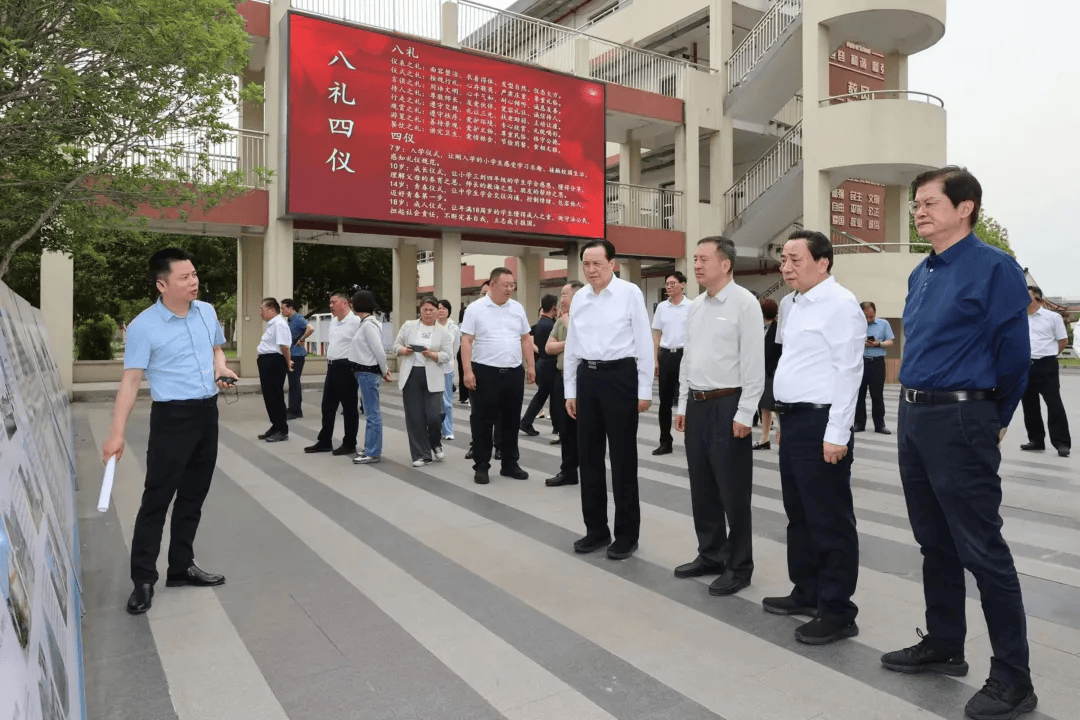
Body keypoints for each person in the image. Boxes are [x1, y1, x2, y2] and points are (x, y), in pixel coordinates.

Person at [882, 166, 1037, 720]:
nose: (918, 211)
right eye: (916, 203)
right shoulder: (921, 272)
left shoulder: (994, 269)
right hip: (916, 417)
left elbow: (1014, 357)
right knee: (934, 543)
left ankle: (1013, 678)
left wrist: (995, 416)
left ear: (965, 207)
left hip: (962, 420)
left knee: (982, 550)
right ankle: (945, 644)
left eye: (929, 202)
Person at [103, 248, 238, 615]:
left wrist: (220, 368)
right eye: (184, 277)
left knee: (194, 495)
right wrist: (116, 434)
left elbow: (217, 350)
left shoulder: (206, 311)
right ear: (162, 284)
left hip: (207, 413)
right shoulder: (144, 325)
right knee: (157, 500)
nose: (193, 281)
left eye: (194, 274)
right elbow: (130, 381)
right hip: (171, 418)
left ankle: (181, 566)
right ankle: (143, 580)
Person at [763, 229, 863, 645]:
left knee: (829, 519)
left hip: (824, 424)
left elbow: (848, 371)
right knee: (799, 513)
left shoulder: (841, 305)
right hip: (796, 421)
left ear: (823, 262)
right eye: (783, 259)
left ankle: (838, 609)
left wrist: (837, 434)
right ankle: (807, 591)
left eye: (795, 259)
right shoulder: (791, 303)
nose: (786, 267)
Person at [672, 237, 764, 596]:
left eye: (703, 259)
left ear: (725, 264)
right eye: (694, 258)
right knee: (703, 486)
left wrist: (746, 412)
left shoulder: (745, 304)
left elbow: (754, 364)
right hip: (698, 404)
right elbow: (688, 359)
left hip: (729, 405)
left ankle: (739, 565)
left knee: (733, 490)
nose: (696, 265)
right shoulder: (695, 306)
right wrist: (683, 404)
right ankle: (711, 553)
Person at [564, 240, 654, 560]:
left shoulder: (630, 294)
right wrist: (570, 390)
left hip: (621, 378)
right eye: (586, 265)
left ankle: (627, 534)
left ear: (612, 264)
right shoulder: (579, 299)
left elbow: (644, 343)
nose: (591, 270)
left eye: (597, 264)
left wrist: (644, 390)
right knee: (588, 458)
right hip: (587, 379)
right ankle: (596, 530)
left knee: (622, 460)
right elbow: (572, 346)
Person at [460, 268, 535, 484]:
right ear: (492, 285)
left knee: (511, 420)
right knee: (482, 421)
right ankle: (481, 465)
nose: (510, 289)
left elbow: (525, 339)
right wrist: (467, 371)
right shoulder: (476, 309)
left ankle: (510, 463)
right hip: (485, 372)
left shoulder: (517, 308)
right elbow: (466, 341)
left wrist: (530, 366)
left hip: (513, 372)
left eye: (512, 285)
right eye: (506, 285)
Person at [394, 296, 454, 467]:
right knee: (415, 418)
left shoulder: (443, 332)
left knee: (434, 416)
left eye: (431, 310)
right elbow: (395, 346)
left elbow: (447, 355)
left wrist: (432, 354)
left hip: (433, 376)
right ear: (419, 310)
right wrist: (404, 350)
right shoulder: (408, 326)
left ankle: (435, 442)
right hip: (411, 375)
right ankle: (421, 454)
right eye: (424, 309)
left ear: (437, 311)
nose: (428, 313)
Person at [304, 292, 361, 456]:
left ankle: (350, 443)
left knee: (349, 407)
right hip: (332, 366)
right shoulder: (334, 321)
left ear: (345, 303)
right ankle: (324, 441)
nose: (330, 305)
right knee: (327, 406)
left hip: (347, 367)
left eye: (333, 302)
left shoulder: (356, 322)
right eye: (330, 302)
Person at [1020, 285, 1071, 457]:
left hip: (1046, 364)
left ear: (1037, 298)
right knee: (1029, 404)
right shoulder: (1019, 318)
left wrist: (1049, 355)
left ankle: (1062, 443)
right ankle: (1036, 440)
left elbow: (1062, 341)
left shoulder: (1052, 318)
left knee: (1054, 403)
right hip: (1026, 365)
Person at [544, 281, 584, 487]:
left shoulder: (584, 318)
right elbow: (548, 347)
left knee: (583, 429)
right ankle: (568, 471)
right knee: (565, 427)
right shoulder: (560, 321)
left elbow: (585, 342)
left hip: (581, 379)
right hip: (561, 377)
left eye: (564, 295)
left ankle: (584, 470)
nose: (561, 300)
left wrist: (569, 323)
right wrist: (568, 344)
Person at [349, 290, 392, 464]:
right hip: (365, 372)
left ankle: (373, 451)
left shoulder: (368, 325)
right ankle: (370, 448)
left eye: (353, 301)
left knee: (372, 413)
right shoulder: (366, 323)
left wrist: (385, 370)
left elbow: (379, 351)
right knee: (370, 412)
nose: (351, 304)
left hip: (367, 372)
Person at [652, 271, 691, 455]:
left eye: (673, 283)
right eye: (667, 283)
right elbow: (657, 334)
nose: (669, 286)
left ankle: (691, 441)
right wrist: (655, 359)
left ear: (683, 285)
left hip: (685, 355)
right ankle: (665, 441)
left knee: (688, 399)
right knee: (665, 401)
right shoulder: (662, 307)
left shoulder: (691, 306)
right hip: (666, 355)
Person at [520, 294, 559, 436]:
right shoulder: (552, 326)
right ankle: (527, 422)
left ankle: (528, 422)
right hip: (550, 363)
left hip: (541, 362)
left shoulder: (539, 325)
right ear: (554, 308)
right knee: (551, 395)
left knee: (543, 394)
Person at [256, 298, 294, 442]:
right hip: (267, 361)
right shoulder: (272, 324)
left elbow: (284, 346)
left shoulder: (279, 324)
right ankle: (275, 425)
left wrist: (288, 362)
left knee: (275, 396)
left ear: (272, 310)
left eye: (262, 309)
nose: (260, 312)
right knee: (269, 396)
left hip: (274, 362)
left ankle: (282, 429)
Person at [854, 301, 895, 434]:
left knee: (877, 395)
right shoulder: (855, 324)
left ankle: (879, 425)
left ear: (875, 313)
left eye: (871, 316)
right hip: (859, 363)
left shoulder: (884, 324)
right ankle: (859, 424)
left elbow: (890, 342)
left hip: (877, 363)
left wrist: (878, 344)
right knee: (859, 395)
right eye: (865, 316)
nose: (868, 319)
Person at [754, 297, 782, 450]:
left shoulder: (778, 329)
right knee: (764, 407)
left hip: (774, 373)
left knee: (777, 408)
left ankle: (781, 437)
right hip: (761, 373)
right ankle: (764, 439)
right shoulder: (756, 327)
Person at [280, 298, 313, 420]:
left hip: (297, 355)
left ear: (291, 308)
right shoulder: (290, 320)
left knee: (294, 382)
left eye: (283, 308)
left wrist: (302, 339)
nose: (281, 310)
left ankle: (296, 410)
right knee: (293, 382)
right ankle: (293, 407)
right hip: (292, 353)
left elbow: (310, 328)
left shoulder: (298, 318)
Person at [436, 299, 460, 441]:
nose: (441, 310)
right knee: (433, 401)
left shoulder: (454, 328)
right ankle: (433, 429)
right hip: (433, 367)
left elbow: (455, 348)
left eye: (444, 308)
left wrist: (449, 360)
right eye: (439, 308)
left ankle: (448, 430)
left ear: (448, 311)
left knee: (447, 402)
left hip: (447, 368)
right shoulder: (432, 325)